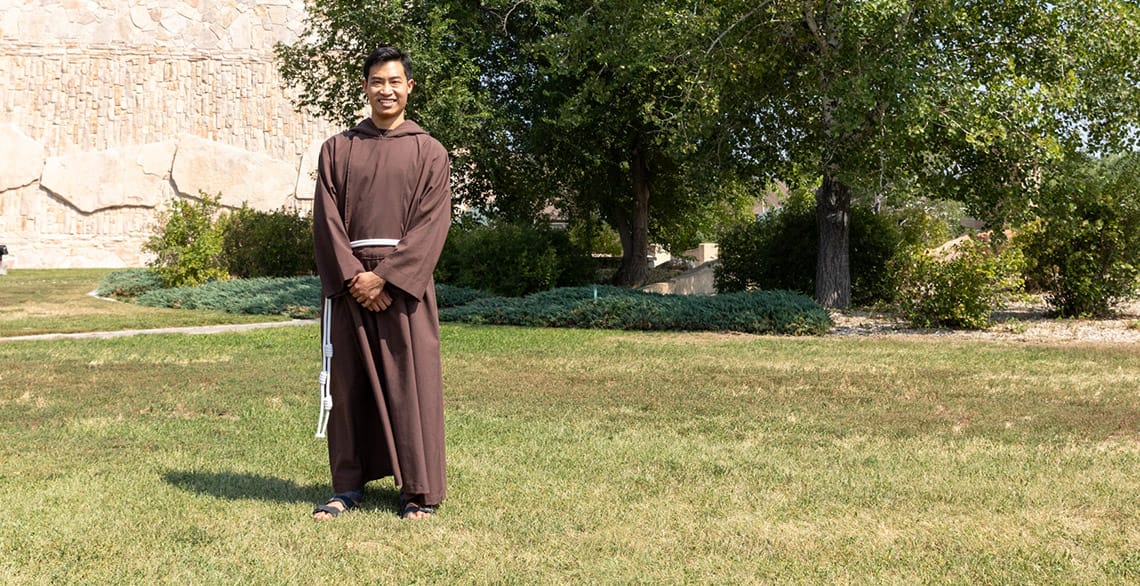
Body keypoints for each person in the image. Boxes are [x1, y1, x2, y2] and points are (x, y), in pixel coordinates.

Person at [310, 46, 451, 521]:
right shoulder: (339, 148)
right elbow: (326, 218)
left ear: (409, 87)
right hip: (351, 285)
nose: (385, 90)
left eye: (395, 82)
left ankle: (417, 492)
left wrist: (387, 277)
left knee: (409, 387)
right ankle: (346, 487)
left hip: (403, 289)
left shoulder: (429, 151)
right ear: (365, 87)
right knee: (350, 389)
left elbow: (432, 223)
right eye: (376, 81)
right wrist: (355, 277)